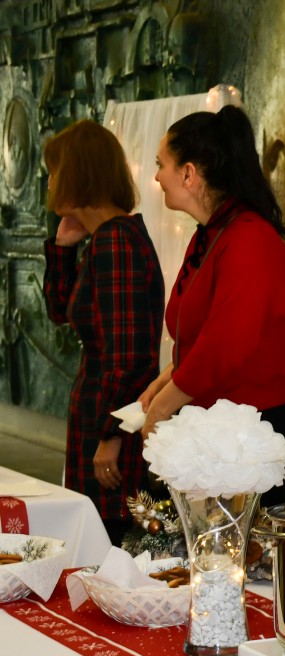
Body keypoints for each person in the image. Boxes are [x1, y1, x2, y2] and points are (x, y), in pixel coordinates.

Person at [140, 105, 285, 507]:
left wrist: (162, 408)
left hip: (248, 435)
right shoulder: (212, 234)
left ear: (189, 174)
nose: (157, 177)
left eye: (161, 165)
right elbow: (201, 336)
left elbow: (225, 345)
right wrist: (164, 383)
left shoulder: (249, 239)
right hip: (214, 428)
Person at [42, 120, 165, 544]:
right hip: (101, 418)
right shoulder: (105, 237)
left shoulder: (116, 240)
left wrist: (110, 435)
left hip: (112, 424)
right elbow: (59, 310)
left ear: (77, 175)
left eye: (54, 171)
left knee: (107, 545)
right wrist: (62, 248)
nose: (49, 182)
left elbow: (130, 356)